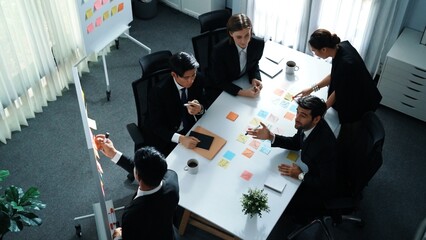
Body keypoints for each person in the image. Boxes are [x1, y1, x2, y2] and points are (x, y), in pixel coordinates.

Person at [247, 95, 337, 220]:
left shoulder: (324, 146)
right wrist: (271, 136)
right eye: (297, 112)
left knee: (279, 204)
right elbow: (296, 142)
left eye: (303, 115)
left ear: (316, 119)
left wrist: (300, 175)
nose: (297, 118)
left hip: (321, 188)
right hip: (313, 170)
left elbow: (326, 183)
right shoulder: (308, 126)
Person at [94, 135, 180, 240]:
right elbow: (145, 170)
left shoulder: (133, 215)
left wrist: (119, 236)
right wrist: (114, 154)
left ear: (138, 176)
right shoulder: (172, 179)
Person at [295, 29, 382, 126]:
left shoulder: (346, 64)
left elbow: (338, 92)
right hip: (358, 87)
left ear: (324, 49)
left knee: (352, 128)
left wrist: (321, 111)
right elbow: (335, 75)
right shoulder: (340, 47)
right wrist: (311, 89)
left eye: (314, 51)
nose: (315, 54)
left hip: (362, 98)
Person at [144, 52, 207, 156]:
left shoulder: (198, 79)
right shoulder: (158, 92)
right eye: (186, 77)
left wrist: (200, 109)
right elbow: (156, 126)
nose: (191, 80)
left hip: (190, 128)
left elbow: (206, 100)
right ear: (174, 75)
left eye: (193, 75)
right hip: (167, 137)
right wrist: (180, 139)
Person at [207, 13, 265, 105]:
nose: (244, 41)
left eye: (247, 35)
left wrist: (255, 77)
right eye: (239, 37)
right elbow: (219, 81)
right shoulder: (219, 51)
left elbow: (254, 62)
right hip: (223, 89)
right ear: (231, 33)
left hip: (241, 81)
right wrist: (243, 92)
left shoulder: (258, 43)